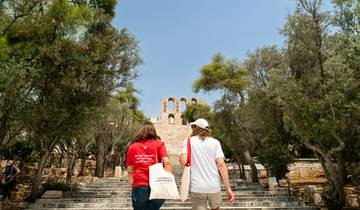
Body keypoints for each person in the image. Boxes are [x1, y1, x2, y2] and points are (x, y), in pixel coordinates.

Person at [179, 118, 234, 210]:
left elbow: (183, 161)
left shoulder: (188, 141)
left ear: (196, 128)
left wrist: (180, 155)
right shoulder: (215, 142)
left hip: (197, 186)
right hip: (214, 185)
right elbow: (221, 164)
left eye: (193, 127)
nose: (192, 128)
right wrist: (228, 188)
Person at [126, 121, 172, 210]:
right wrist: (166, 177)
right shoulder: (159, 144)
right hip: (157, 185)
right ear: (153, 131)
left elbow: (130, 170)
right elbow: (167, 162)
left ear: (139, 131)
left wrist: (133, 183)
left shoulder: (133, 147)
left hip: (139, 185)